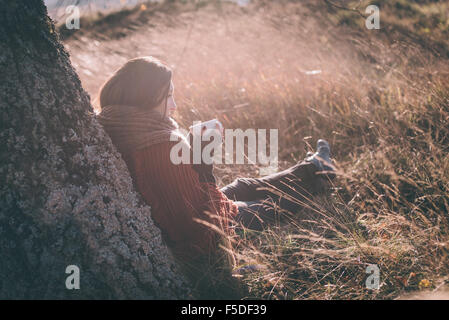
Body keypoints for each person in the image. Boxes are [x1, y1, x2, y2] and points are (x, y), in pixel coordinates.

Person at [96, 56, 335, 262]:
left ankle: (314, 167)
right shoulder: (159, 145)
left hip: (179, 223)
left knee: (243, 185)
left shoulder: (115, 125)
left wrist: (194, 151)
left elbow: (179, 193)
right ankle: (316, 181)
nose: (174, 106)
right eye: (167, 97)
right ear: (144, 99)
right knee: (269, 204)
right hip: (206, 240)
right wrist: (203, 158)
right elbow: (199, 222)